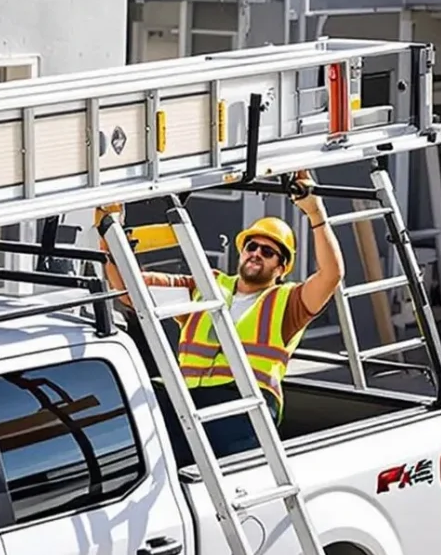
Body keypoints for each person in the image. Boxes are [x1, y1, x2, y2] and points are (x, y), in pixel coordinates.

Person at [123, 174, 344, 458]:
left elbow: (331, 275)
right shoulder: (207, 284)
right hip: (187, 398)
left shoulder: (287, 302)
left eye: (268, 251)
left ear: (281, 268)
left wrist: (315, 212)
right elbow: (128, 291)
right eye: (251, 247)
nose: (256, 254)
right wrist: (107, 227)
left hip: (244, 406)